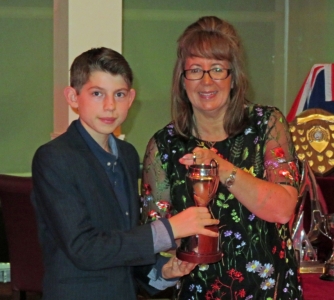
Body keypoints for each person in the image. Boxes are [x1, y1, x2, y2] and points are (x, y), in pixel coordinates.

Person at [30, 47, 219, 300]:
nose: (110, 106)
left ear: (130, 99)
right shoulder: (55, 157)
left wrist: (162, 271)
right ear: (73, 97)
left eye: (119, 94)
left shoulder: (127, 155)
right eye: (97, 93)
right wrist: (170, 229)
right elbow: (84, 248)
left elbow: (123, 239)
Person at [141, 16, 303, 299]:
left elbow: (282, 209)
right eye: (195, 70)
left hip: (269, 290)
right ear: (182, 80)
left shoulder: (267, 125)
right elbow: (155, 237)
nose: (206, 81)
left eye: (217, 69)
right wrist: (169, 265)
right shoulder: (163, 146)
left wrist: (222, 167)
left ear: (234, 76)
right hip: (197, 291)